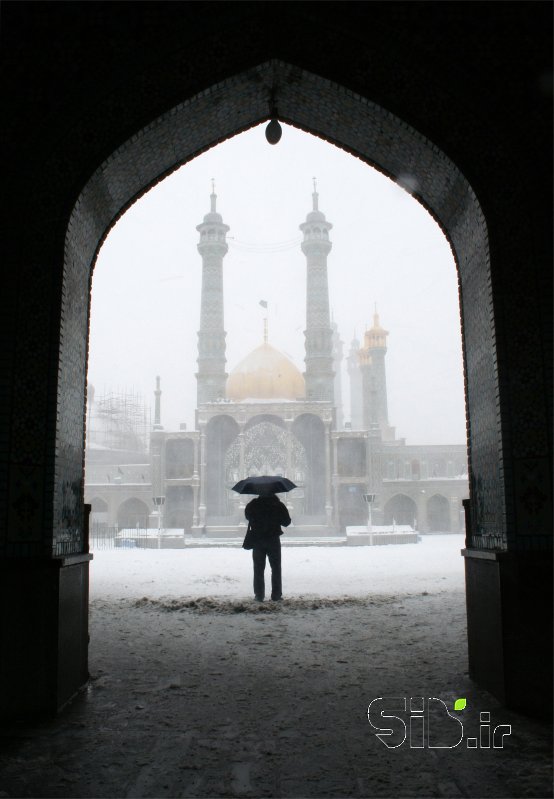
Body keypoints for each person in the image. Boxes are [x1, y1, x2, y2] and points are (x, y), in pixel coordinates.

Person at [244, 493, 291, 602]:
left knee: (258, 569)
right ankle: (276, 595)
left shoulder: (253, 505)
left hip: (257, 540)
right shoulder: (278, 505)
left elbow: (247, 516)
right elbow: (287, 522)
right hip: (273, 540)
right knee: (276, 568)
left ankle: (259, 595)